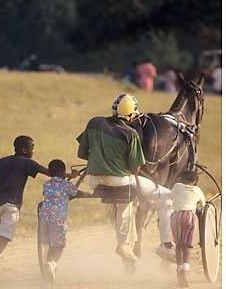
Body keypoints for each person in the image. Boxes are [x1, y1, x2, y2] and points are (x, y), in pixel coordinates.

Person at [76, 94, 178, 264]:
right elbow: (135, 168)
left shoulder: (94, 123)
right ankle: (166, 246)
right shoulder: (130, 134)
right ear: (132, 116)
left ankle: (124, 244)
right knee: (166, 197)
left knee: (125, 203)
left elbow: (81, 153)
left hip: (95, 181)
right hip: (121, 181)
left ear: (114, 110)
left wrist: (100, 161)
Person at [0, 135, 77, 280]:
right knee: (5, 235)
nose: (33, 152)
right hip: (12, 204)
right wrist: (70, 175)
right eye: (31, 149)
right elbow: (50, 173)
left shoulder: (3, 161)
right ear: (24, 150)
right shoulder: (27, 162)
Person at [39, 159, 91, 283]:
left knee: (50, 243)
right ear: (63, 172)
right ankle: (51, 264)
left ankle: (49, 265)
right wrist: (88, 194)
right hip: (57, 218)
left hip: (44, 217)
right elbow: (77, 193)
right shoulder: (65, 185)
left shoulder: (46, 183)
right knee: (59, 245)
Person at [170, 170, 206, 287]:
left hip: (176, 216)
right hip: (190, 216)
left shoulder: (176, 186)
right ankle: (185, 272)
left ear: (181, 179)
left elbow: (171, 198)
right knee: (187, 247)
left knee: (179, 245)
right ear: (194, 182)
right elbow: (202, 205)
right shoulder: (197, 190)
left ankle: (179, 271)